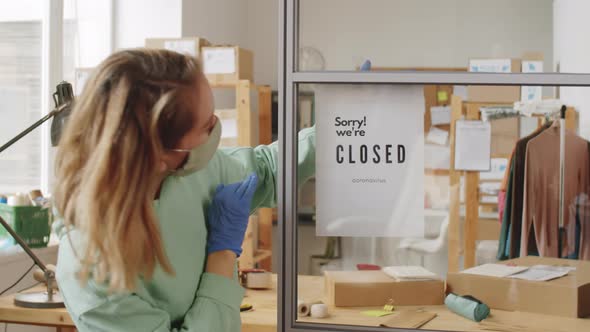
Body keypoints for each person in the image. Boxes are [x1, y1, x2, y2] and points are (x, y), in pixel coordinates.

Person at [53, 49, 315, 331]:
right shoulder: (92, 266)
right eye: (206, 126)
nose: (215, 129)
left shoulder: (188, 170)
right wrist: (222, 254)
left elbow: (267, 170)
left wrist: (345, 124)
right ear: (159, 152)